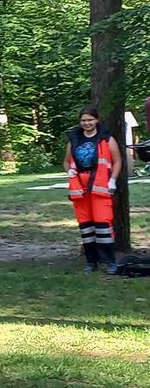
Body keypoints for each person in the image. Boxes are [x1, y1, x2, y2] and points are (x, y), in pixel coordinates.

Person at [65, 107, 122, 274]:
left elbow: (117, 161)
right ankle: (91, 262)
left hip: (101, 184)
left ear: (96, 120)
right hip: (80, 188)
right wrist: (69, 170)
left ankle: (110, 262)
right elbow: (67, 161)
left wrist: (113, 180)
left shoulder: (106, 138)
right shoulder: (74, 139)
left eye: (90, 120)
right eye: (83, 120)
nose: (87, 123)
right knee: (86, 225)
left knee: (103, 223)